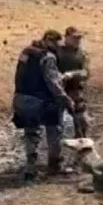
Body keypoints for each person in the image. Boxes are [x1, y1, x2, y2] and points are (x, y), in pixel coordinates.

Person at [11, 29, 75, 181]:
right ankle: (54, 165)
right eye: (56, 45)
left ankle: (30, 167)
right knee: (54, 128)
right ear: (50, 42)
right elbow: (52, 82)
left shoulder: (26, 52)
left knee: (31, 133)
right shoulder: (48, 57)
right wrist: (65, 99)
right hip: (40, 101)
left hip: (21, 98)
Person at [57, 26, 91, 138]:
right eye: (74, 38)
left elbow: (86, 73)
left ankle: (81, 140)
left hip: (75, 91)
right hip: (58, 90)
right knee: (56, 122)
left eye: (79, 38)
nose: (77, 41)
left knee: (82, 121)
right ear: (66, 37)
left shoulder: (82, 54)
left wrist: (72, 74)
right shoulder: (57, 51)